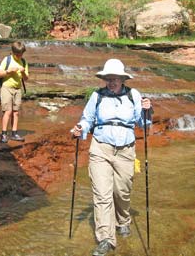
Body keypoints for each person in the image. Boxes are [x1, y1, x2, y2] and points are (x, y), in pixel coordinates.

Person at [71, 58, 153, 256]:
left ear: (123, 79)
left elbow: (143, 124)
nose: (112, 82)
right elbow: (87, 118)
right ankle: (106, 239)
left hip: (126, 150)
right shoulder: (97, 96)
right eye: (109, 78)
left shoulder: (134, 95)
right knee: (102, 195)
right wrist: (80, 128)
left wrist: (147, 110)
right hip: (100, 149)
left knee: (122, 191)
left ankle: (123, 219)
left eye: (115, 78)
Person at [0, 41, 29, 143]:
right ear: (13, 52)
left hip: (18, 89)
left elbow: (26, 78)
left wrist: (23, 71)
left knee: (16, 112)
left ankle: (14, 133)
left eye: (21, 54)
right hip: (7, 87)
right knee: (7, 111)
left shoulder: (23, 62)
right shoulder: (7, 60)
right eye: (18, 54)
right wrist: (9, 71)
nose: (19, 56)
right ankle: (3, 134)